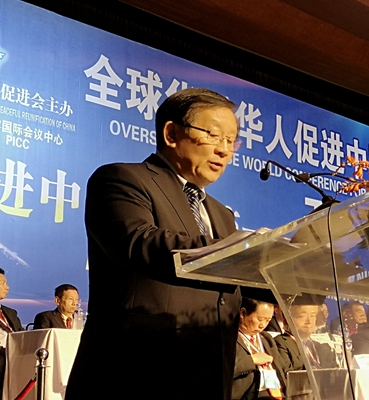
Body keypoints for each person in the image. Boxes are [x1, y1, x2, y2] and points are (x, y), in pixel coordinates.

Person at [66, 88, 242, 400]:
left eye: (232, 141)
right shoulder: (122, 179)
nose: (224, 150)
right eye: (214, 135)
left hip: (209, 379)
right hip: (134, 376)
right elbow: (140, 242)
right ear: (172, 134)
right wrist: (236, 251)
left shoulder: (222, 214)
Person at [233, 298, 286, 400]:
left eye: (268, 320)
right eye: (260, 319)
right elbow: (224, 368)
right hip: (248, 395)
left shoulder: (266, 338)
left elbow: (281, 368)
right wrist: (252, 360)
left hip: (275, 393)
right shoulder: (230, 338)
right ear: (243, 313)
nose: (263, 325)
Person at [276, 297, 337, 371]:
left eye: (312, 315)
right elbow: (288, 374)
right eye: (302, 316)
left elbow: (335, 373)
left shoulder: (322, 347)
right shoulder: (279, 343)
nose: (309, 321)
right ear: (287, 319)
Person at [0, 268, 24, 399]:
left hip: (15, 359)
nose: (7, 287)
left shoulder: (11, 313)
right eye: (3, 283)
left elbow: (22, 336)